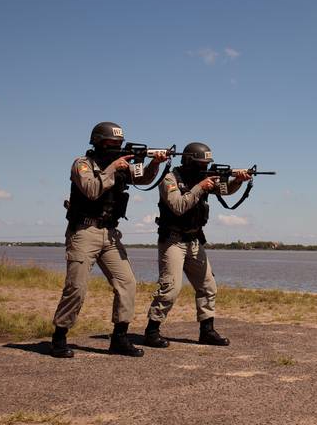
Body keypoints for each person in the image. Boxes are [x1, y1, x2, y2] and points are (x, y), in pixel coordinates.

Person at [50, 122, 168, 358]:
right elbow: (91, 190)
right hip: (84, 231)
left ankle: (119, 338)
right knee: (76, 287)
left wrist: (155, 164)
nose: (115, 147)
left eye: (119, 143)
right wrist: (113, 167)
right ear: (98, 142)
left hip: (110, 233)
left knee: (127, 283)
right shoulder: (83, 164)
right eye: (111, 143)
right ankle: (59, 337)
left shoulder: (122, 165)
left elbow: (143, 179)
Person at [143, 142, 251, 348]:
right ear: (189, 161)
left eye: (206, 164)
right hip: (173, 241)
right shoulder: (170, 179)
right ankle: (152, 331)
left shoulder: (205, 179)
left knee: (208, 285)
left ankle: (207, 331)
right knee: (170, 288)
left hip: (194, 241)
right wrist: (200, 187)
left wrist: (238, 180)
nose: (204, 167)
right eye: (201, 163)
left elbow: (225, 190)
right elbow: (178, 206)